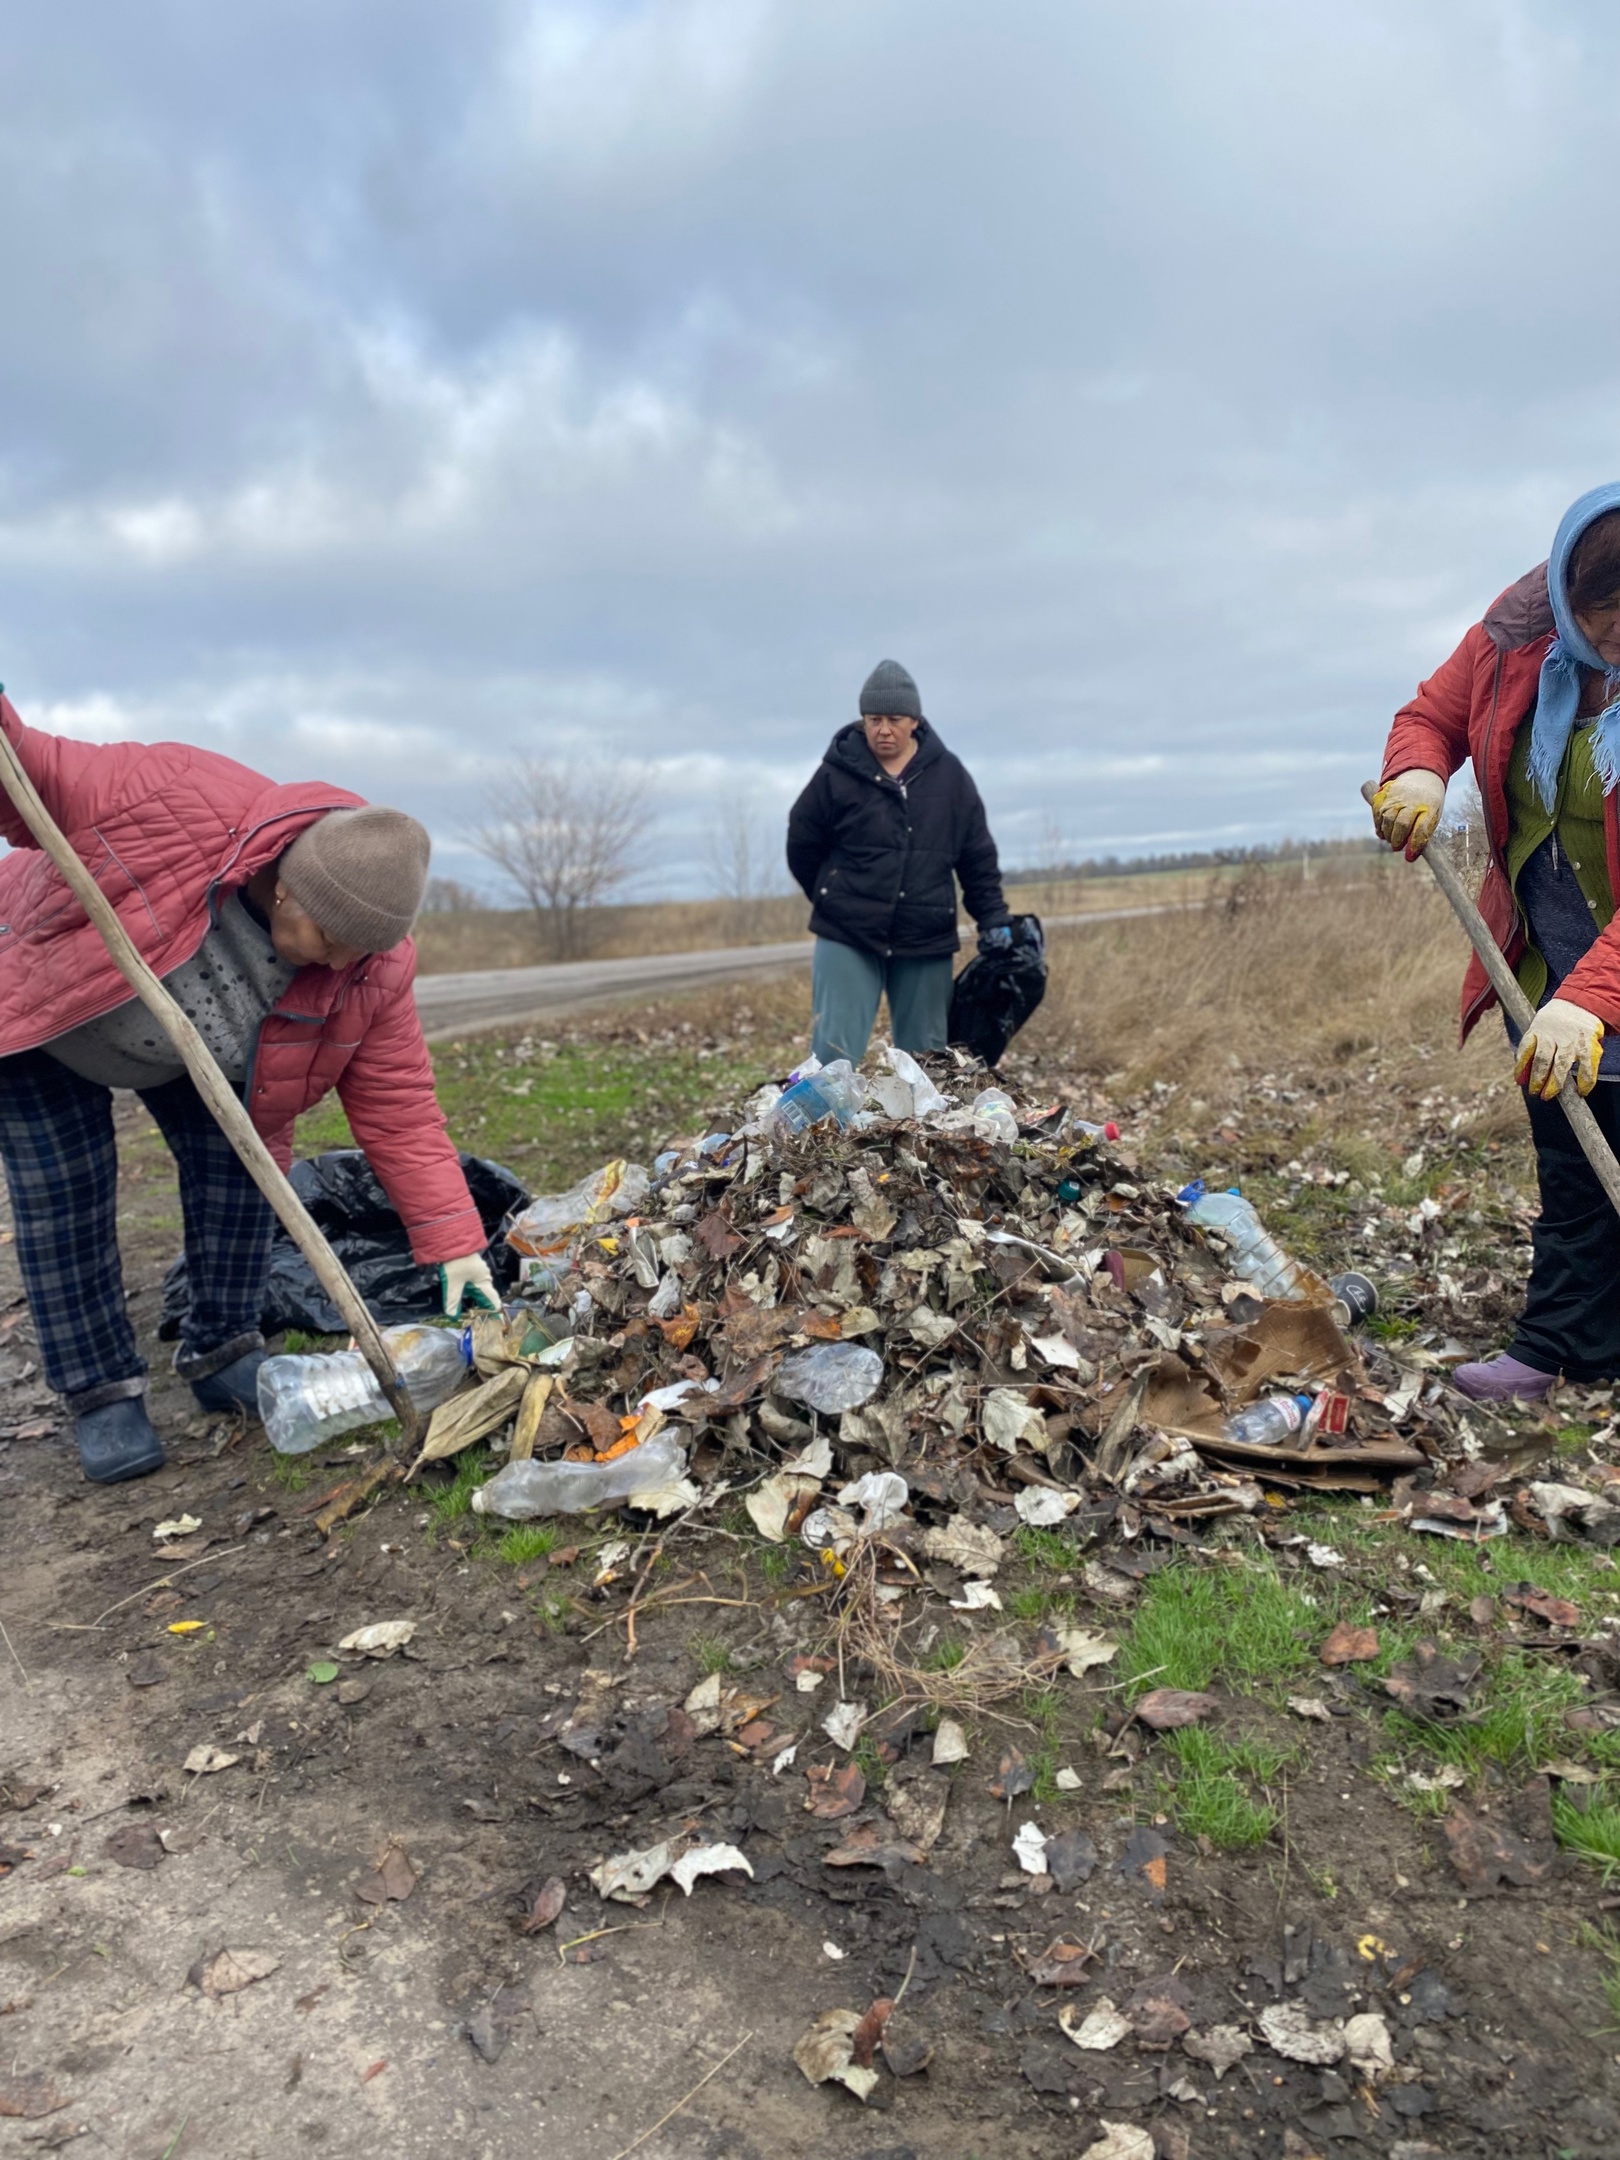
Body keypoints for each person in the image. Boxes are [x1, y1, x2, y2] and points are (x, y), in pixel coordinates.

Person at [0, 692, 500, 1484]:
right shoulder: (170, 795)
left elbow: (400, 1111)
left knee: (241, 1175)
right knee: (65, 1192)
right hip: (48, 1014)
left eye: (358, 952)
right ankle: (101, 1392)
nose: (337, 964)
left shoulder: (371, 963)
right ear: (288, 890)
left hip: (190, 1049)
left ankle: (224, 1346)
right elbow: (26, 773)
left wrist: (457, 1244)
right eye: (327, 940)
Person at [1374, 481, 1620, 1401]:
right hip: (1545, 955)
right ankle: (1563, 1348)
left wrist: (1593, 1002)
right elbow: (1430, 715)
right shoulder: (1513, 637)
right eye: (1606, 616)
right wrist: (1420, 776)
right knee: (1571, 1151)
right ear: (1567, 598)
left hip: (1602, 976)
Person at [786, 658, 1011, 1066]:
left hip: (924, 934)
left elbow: (976, 854)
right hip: (847, 932)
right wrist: (828, 894)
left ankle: (922, 1130)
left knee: (926, 1060)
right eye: (873, 719)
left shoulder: (949, 776)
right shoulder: (836, 774)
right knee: (832, 1057)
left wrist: (992, 917)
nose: (883, 730)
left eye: (893, 719)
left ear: (914, 721)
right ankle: (827, 1128)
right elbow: (802, 841)